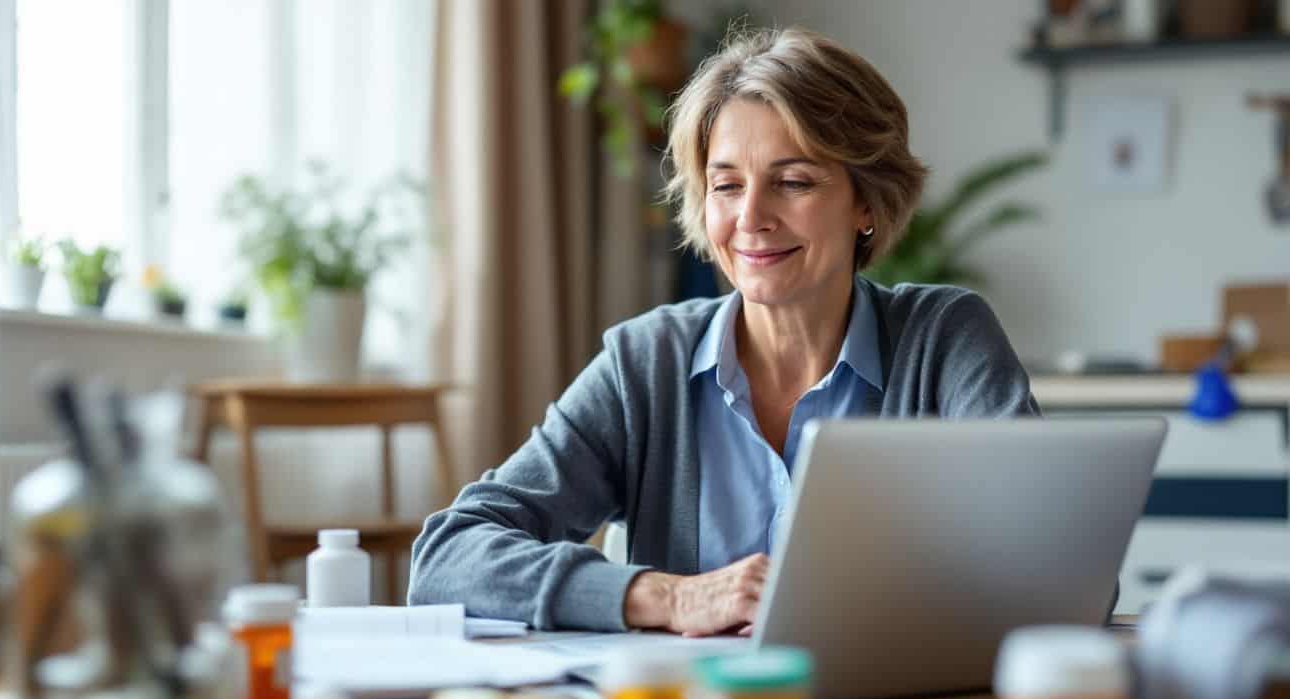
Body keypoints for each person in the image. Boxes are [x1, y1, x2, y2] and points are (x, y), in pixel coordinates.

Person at [408, 26, 1038, 635]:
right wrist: (668, 596)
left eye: (793, 182)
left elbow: (1054, 564)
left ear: (867, 202)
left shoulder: (945, 339)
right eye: (727, 185)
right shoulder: (645, 363)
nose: (751, 217)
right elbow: (447, 557)